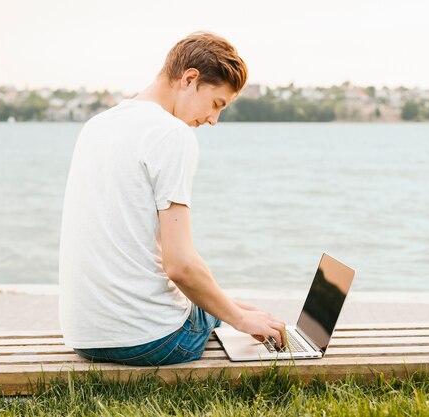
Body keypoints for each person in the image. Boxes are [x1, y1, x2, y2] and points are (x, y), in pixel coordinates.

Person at [58, 32, 286, 367]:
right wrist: (239, 318)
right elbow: (180, 266)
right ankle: (233, 313)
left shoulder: (97, 125)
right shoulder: (171, 134)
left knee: (221, 308)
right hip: (151, 341)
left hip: (85, 336)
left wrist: (230, 307)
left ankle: (229, 309)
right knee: (225, 314)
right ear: (190, 79)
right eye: (216, 104)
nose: (212, 119)